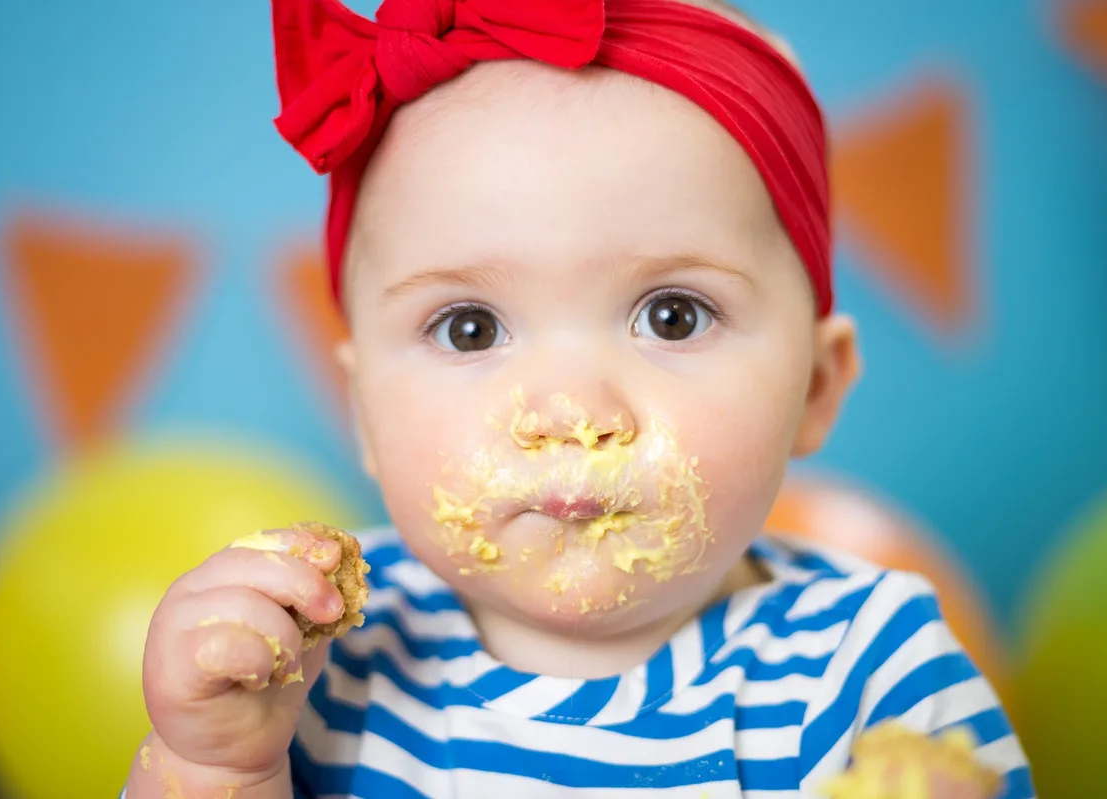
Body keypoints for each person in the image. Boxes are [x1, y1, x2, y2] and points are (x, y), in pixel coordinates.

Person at [124, 0, 1035, 796]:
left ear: (815, 387)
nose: (568, 411)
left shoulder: (871, 670)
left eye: (673, 316)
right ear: (362, 408)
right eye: (470, 328)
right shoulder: (316, 661)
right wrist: (217, 765)